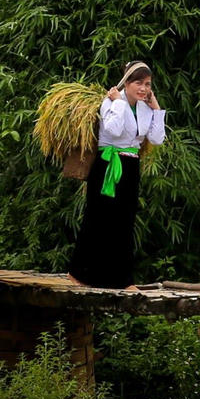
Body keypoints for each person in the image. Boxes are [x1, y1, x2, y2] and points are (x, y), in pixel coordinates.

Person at [68, 61, 166, 290]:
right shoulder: (111, 102)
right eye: (138, 83)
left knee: (124, 221)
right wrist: (119, 103)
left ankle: (122, 279)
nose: (143, 88)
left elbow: (157, 138)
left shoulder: (144, 108)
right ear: (127, 83)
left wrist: (156, 108)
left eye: (148, 84)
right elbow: (113, 130)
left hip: (130, 167)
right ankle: (79, 273)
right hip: (108, 165)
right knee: (98, 218)